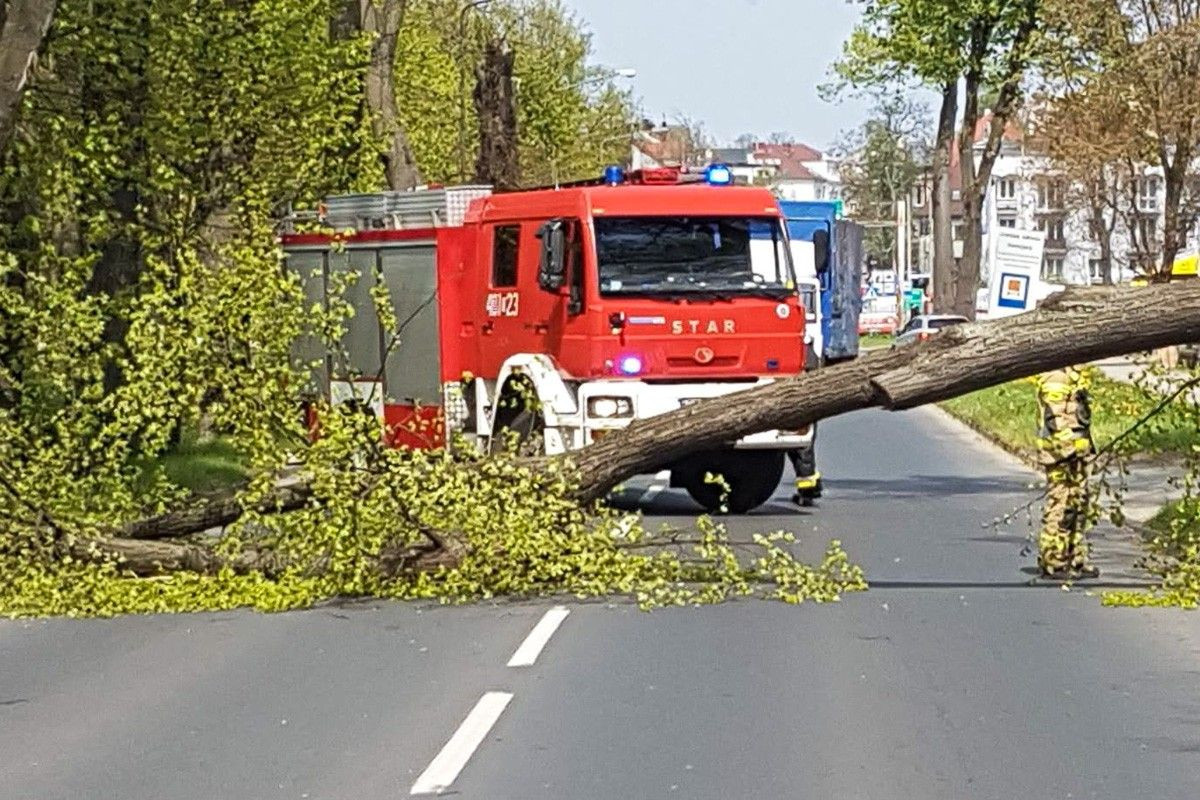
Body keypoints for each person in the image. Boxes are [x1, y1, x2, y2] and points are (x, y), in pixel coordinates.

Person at [1034, 366, 1099, 579]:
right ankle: (1054, 560)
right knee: (1060, 504)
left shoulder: (1073, 375)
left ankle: (1075, 557)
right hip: (1060, 456)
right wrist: (1070, 451)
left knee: (1079, 503)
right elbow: (1056, 421)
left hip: (1077, 455)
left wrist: (1085, 451)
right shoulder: (1056, 377)